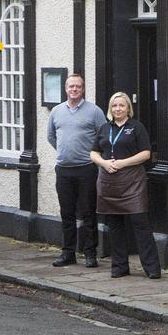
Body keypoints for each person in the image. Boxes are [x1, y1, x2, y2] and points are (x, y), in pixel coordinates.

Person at [92, 91, 161, 279]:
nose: (118, 109)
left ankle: (152, 268)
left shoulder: (136, 127)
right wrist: (104, 163)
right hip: (109, 182)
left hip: (132, 181)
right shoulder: (105, 128)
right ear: (110, 109)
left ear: (128, 108)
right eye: (114, 106)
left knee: (140, 224)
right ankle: (119, 266)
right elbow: (94, 152)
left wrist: (122, 163)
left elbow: (146, 153)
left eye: (121, 105)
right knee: (115, 226)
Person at [47, 73, 107, 268]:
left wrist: (90, 155)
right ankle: (68, 253)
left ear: (83, 89)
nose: (74, 89)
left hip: (86, 169)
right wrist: (66, 153)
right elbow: (51, 137)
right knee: (67, 213)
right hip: (63, 170)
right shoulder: (56, 111)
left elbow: (104, 136)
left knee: (88, 212)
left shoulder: (94, 111)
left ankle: (90, 253)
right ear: (65, 88)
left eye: (78, 87)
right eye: (71, 86)